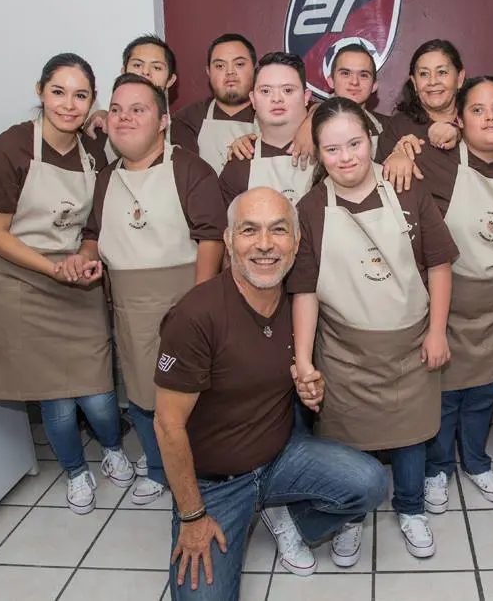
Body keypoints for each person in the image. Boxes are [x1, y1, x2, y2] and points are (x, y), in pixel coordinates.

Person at [154, 187, 387, 598]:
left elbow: (295, 373)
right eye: (249, 231)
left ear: (296, 243)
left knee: (368, 483)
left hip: (279, 457)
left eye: (278, 230)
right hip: (214, 485)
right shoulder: (195, 316)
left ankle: (289, 520)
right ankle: (241, 513)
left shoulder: (297, 304)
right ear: (229, 241)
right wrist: (192, 516)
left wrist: (308, 384)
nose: (264, 245)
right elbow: (167, 424)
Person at [287, 97, 458, 559]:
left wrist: (437, 331)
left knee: (412, 436)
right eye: (332, 149)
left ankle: (411, 507)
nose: (346, 158)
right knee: (347, 441)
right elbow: (303, 291)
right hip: (344, 352)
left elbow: (440, 265)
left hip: (411, 342)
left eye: (355, 143)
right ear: (318, 154)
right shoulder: (309, 209)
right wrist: (303, 360)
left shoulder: (407, 188)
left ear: (371, 139)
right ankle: (350, 515)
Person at [0, 53, 134, 514]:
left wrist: (83, 257)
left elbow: (95, 223)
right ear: (40, 91)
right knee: (57, 399)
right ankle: (76, 472)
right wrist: (53, 269)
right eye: (58, 92)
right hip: (23, 281)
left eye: (80, 94)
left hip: (75, 282)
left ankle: (111, 449)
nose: (68, 104)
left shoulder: (94, 151)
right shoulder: (8, 148)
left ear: (92, 100)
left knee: (100, 393)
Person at [66, 73, 226, 506]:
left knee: (193, 394)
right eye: (116, 109)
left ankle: (204, 471)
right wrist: (84, 251)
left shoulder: (189, 168)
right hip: (130, 306)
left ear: (162, 120)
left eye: (138, 109)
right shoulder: (106, 177)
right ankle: (157, 468)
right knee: (141, 391)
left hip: (185, 299)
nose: (123, 118)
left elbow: (211, 237)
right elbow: (94, 232)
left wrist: (200, 305)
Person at [401, 76, 493, 512]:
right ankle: (438, 470)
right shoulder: (437, 160)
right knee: (444, 396)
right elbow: (383, 146)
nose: (490, 117)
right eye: (477, 109)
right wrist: (406, 147)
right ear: (459, 119)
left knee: (483, 394)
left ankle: (476, 463)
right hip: (448, 304)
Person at [226, 43, 386, 165]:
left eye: (363, 75)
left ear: (374, 86)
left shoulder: (388, 128)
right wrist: (245, 142)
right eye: (345, 73)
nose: (354, 82)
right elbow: (273, 134)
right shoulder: (300, 113)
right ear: (330, 80)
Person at [219, 52, 314, 208]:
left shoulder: (331, 151)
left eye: (288, 90)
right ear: (253, 100)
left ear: (306, 97)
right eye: (265, 91)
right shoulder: (240, 161)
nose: (276, 99)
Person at [83, 34, 179, 164]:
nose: (145, 72)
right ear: (124, 72)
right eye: (137, 65)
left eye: (156, 67)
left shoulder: (183, 131)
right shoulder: (101, 129)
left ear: (170, 80)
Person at [173, 33, 258, 174]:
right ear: (208, 72)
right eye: (220, 66)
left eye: (239, 64)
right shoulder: (188, 118)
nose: (230, 72)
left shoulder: (274, 113)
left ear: (255, 69)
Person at [377, 39, 468, 164]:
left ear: (459, 78)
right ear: (414, 83)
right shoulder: (399, 127)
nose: (433, 81)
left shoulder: (476, 121)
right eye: (424, 74)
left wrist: (458, 131)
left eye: (441, 72)